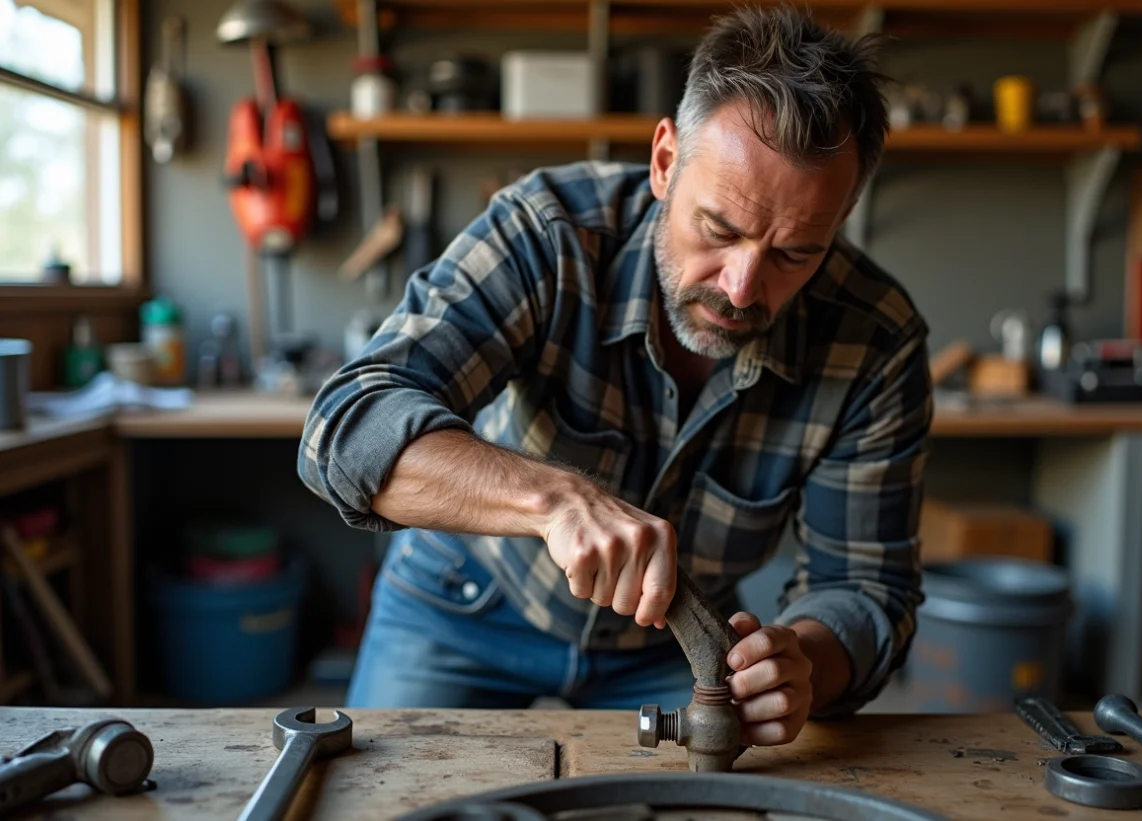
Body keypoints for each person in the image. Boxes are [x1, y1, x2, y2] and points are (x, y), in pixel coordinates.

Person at [299, 5, 931, 749]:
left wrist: (804, 666)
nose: (740, 286)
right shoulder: (548, 232)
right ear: (665, 161)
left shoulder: (875, 338)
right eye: (719, 230)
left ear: (843, 217)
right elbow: (345, 428)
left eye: (795, 253)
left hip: (677, 651)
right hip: (461, 601)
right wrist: (553, 498)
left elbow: (867, 586)